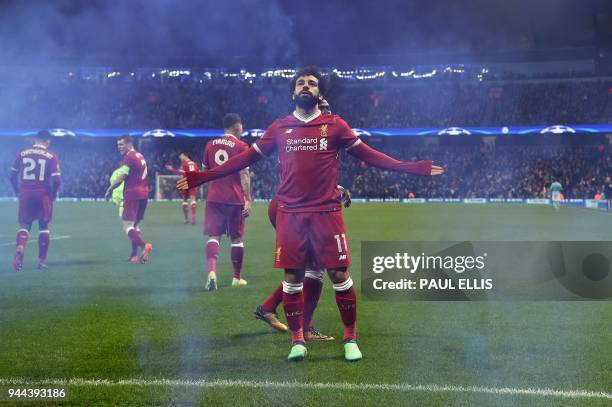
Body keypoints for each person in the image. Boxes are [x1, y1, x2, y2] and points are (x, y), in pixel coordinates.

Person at [178, 66, 443, 362]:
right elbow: (243, 160)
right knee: (295, 275)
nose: (306, 86)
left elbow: (370, 155)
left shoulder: (335, 125)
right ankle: (298, 339)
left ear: (320, 93)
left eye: (312, 83)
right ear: (293, 92)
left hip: (326, 212)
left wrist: (414, 168)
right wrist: (202, 176)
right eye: (301, 83)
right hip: (290, 212)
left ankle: (350, 339)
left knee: (338, 274)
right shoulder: (279, 127)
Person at [255, 185, 352, 342]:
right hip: (296, 206)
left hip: (287, 203)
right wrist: (336, 188)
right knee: (314, 267)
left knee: (307, 267)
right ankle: (305, 329)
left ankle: (268, 308)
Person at [201, 113, 252, 290]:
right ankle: (236, 278)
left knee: (214, 236)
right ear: (237, 127)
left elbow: (204, 173)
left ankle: (212, 272)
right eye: (241, 127)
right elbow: (244, 174)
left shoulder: (209, 145)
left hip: (214, 198)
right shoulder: (242, 146)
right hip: (234, 198)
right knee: (236, 238)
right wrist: (248, 199)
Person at [10, 130, 61, 270]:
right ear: (48, 141)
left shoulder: (22, 153)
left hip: (25, 193)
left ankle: (20, 247)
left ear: (35, 139)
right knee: (43, 226)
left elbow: (12, 176)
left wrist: (17, 191)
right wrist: (54, 194)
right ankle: (42, 261)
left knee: (24, 225)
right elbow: (57, 179)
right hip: (43, 194)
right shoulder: (52, 156)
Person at [104, 135, 152, 264]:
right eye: (118, 144)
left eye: (121, 144)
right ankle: (134, 255)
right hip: (144, 194)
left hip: (133, 194)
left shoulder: (129, 157)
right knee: (134, 226)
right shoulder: (139, 156)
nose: (119, 147)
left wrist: (109, 189)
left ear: (129, 143)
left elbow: (121, 177)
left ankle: (145, 246)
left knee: (127, 225)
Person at [165, 152, 199, 225]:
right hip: (193, 182)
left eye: (181, 156)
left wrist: (172, 169)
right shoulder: (195, 164)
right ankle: (193, 218)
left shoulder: (184, 164)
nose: (180, 157)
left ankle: (186, 219)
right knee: (193, 200)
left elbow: (180, 172)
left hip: (185, 181)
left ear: (185, 155)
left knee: (185, 200)